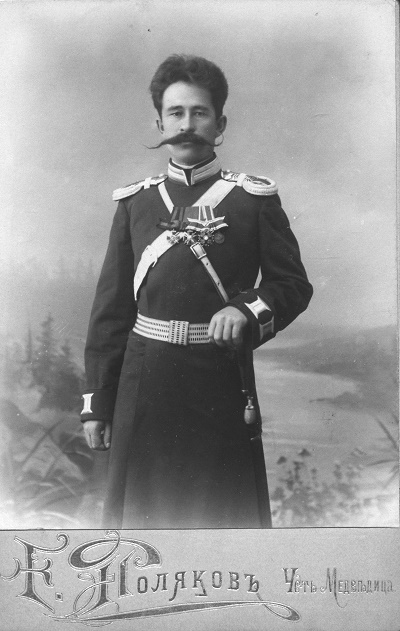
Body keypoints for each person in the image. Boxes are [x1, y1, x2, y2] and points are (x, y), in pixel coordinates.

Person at [81, 54, 313, 529]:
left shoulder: (251, 201)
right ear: (160, 123)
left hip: (219, 384)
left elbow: (292, 284)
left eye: (199, 112)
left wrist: (246, 310)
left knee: (222, 522)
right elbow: (112, 310)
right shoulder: (135, 203)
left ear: (220, 123)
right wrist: (97, 403)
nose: (187, 124)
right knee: (140, 528)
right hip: (144, 387)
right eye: (176, 113)